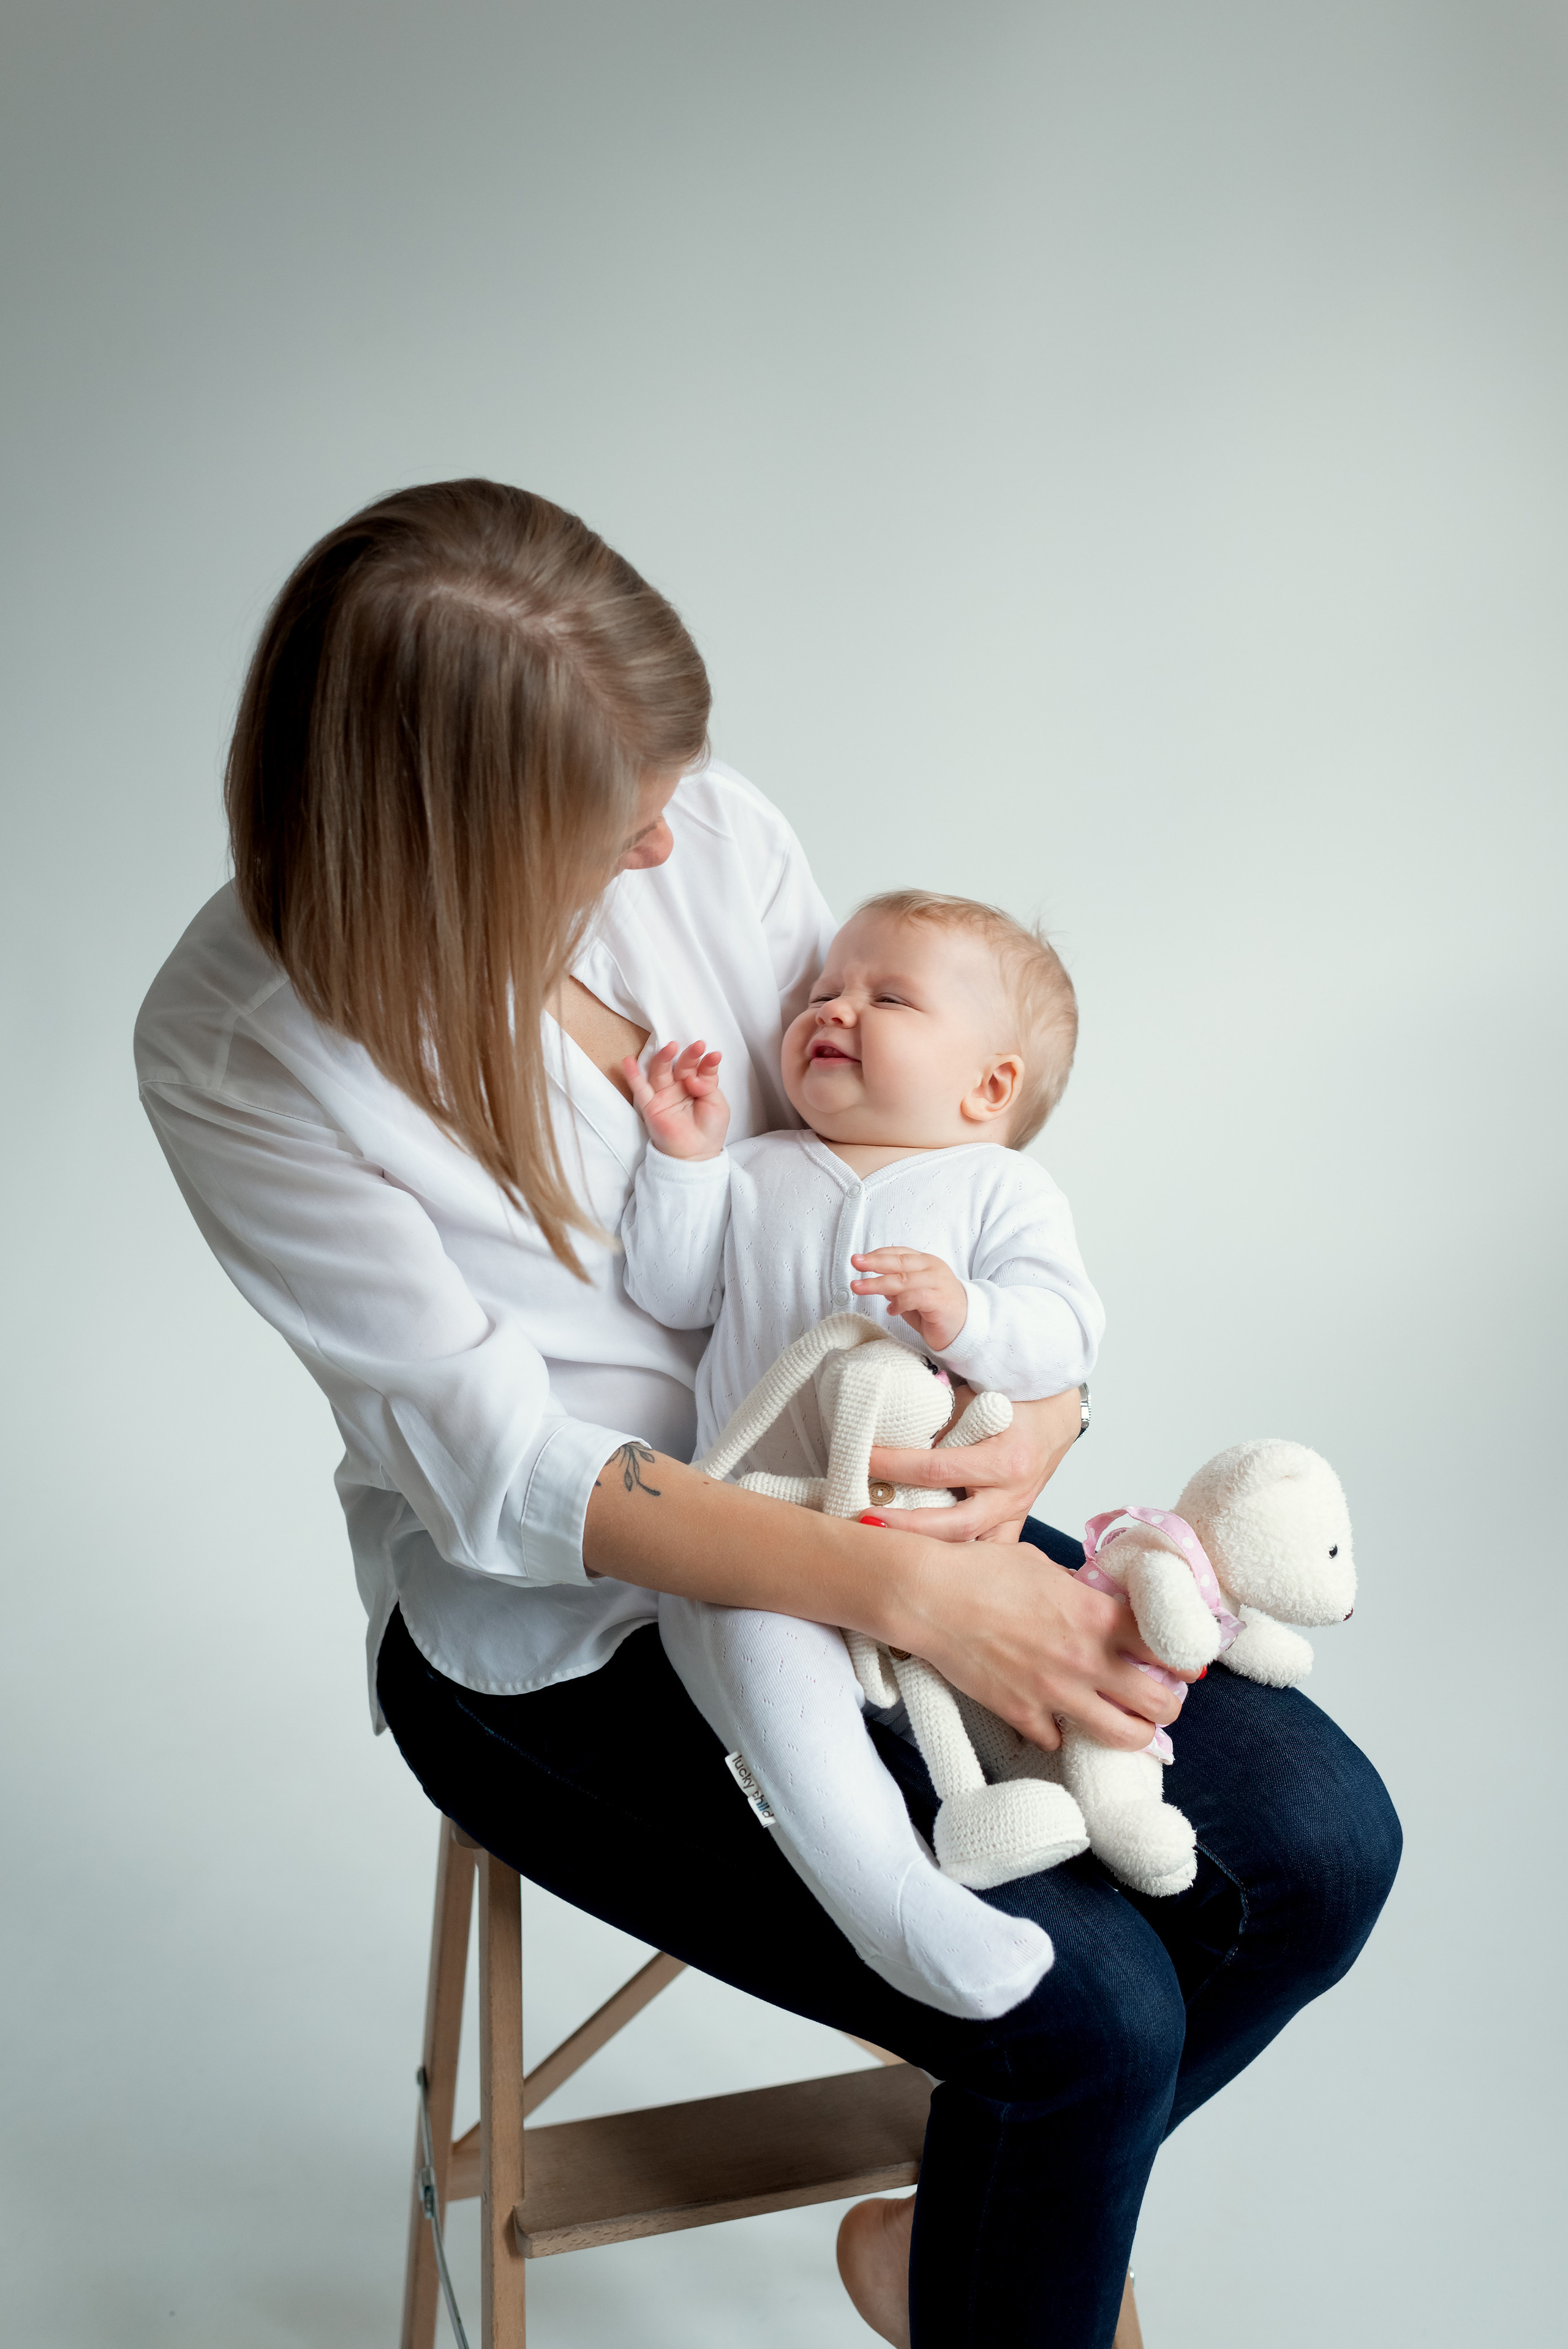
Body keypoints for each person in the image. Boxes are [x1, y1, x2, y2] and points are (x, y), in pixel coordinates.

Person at [134, 479, 1400, 2349]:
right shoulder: (243, 1049)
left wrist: (1039, 1413)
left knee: (1320, 1851)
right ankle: (1026, 2232)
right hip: (566, 1632)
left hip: (855, 1477)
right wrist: (907, 1601)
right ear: (451, 839)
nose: (676, 834)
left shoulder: (701, 823)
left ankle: (965, 2247)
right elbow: (499, 1471)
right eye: (613, 818)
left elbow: (905, 1155)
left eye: (671, 777)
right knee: (1090, 2015)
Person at [619, 891, 1115, 2017]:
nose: (831, 1007)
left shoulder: (1000, 1190)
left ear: (988, 1086)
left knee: (1039, 1662)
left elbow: (1066, 1331)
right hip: (756, 1536)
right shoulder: (761, 1168)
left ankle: (1084, 1805)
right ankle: (890, 1896)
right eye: (820, 990)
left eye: (886, 996)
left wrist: (968, 1315)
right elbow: (671, 1289)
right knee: (769, 1677)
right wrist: (687, 1160)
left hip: (931, 1535)